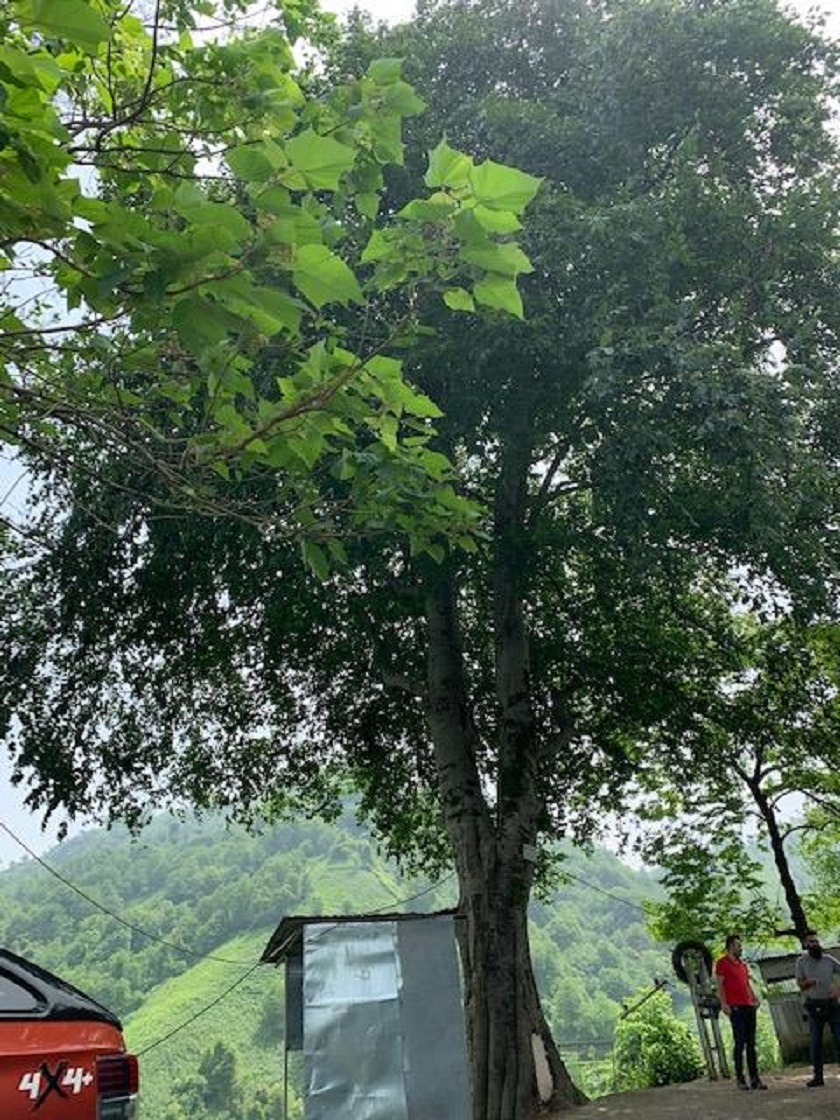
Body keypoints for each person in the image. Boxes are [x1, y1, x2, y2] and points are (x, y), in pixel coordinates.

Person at [715, 934, 767, 1090]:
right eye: (738, 945)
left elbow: (746, 984)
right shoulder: (722, 963)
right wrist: (723, 1003)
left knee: (751, 1043)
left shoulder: (742, 964)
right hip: (735, 1007)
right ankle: (740, 1079)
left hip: (748, 1006)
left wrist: (754, 998)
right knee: (740, 1043)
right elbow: (720, 984)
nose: (741, 948)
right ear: (731, 946)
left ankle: (755, 1078)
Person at [795, 930, 840, 1087]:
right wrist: (809, 983)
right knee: (815, 1043)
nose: (814, 944)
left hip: (832, 1005)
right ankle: (818, 1077)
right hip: (814, 1006)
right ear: (806, 945)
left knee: (839, 1039)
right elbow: (799, 984)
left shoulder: (828, 960)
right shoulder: (801, 962)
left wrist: (838, 989)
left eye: (816, 941)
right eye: (811, 942)